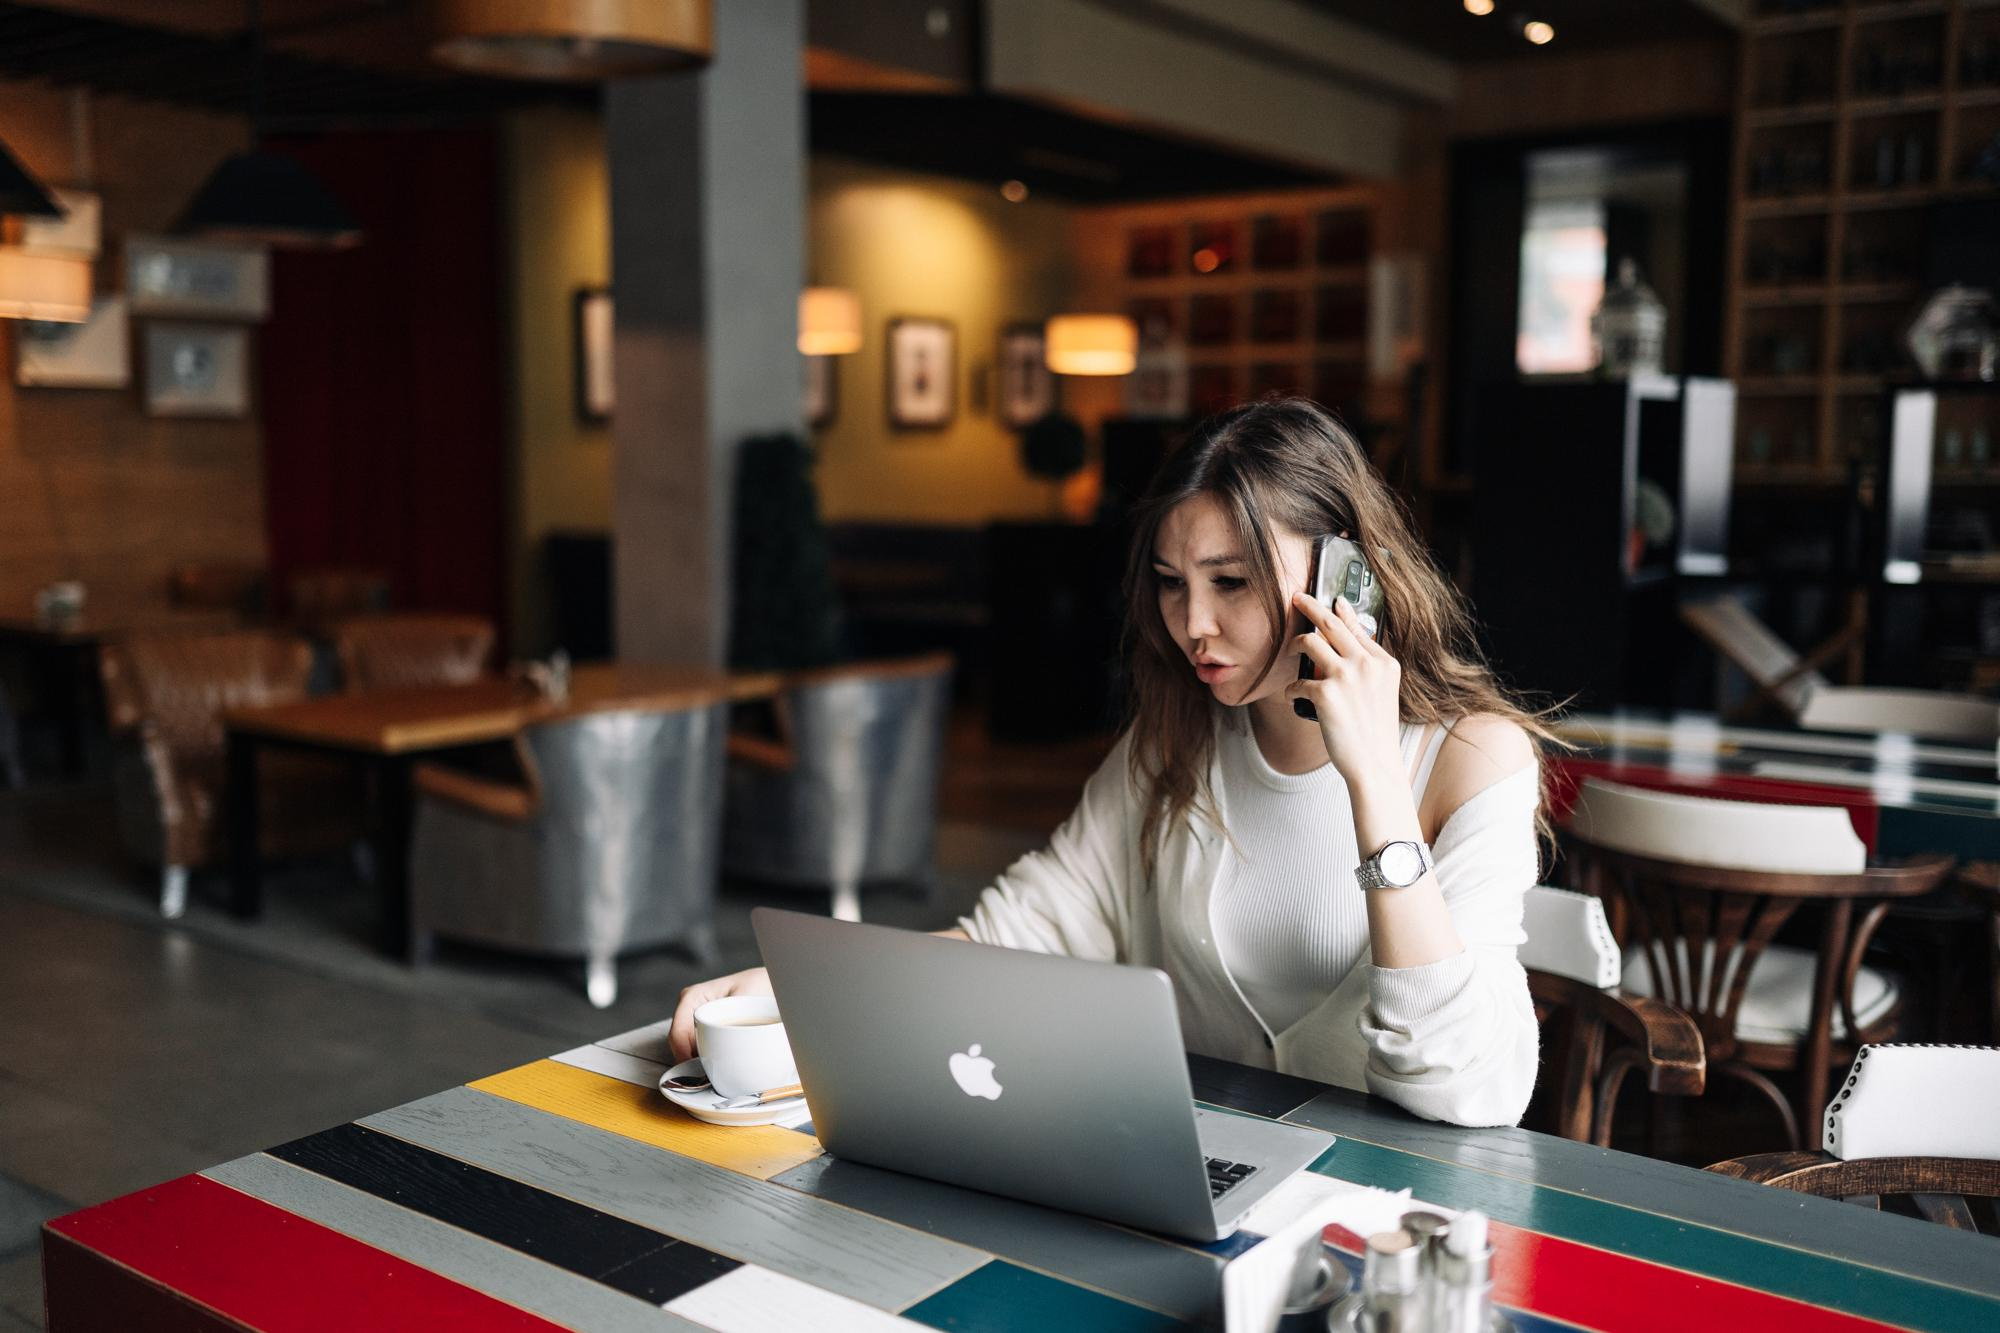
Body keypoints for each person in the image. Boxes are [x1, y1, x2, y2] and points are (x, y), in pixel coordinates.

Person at [671, 397, 1555, 1127]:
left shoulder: (1470, 761)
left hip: (1402, 1224)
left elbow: (1460, 1082)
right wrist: (817, 985)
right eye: (1172, 582)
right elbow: (1016, 933)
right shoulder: (1177, 744)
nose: (1193, 623)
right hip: (1202, 1195)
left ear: (1344, 576)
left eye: (1232, 581)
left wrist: (1373, 781)